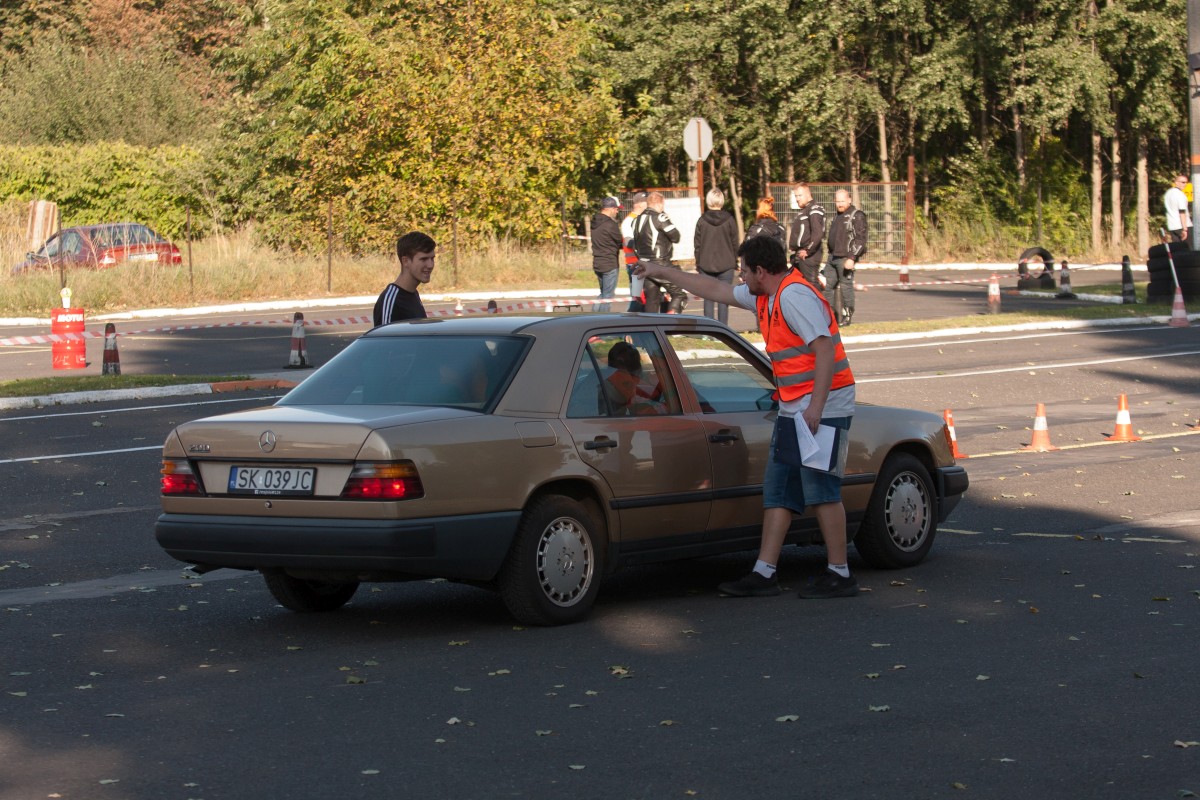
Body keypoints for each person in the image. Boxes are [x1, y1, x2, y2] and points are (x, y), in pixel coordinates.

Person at [635, 236, 858, 600]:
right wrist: (659, 270)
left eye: (744, 271)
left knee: (821, 490)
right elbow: (712, 288)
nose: (740, 277)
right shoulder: (766, 295)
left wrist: (816, 407)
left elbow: (824, 350)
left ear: (760, 271)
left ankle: (840, 573)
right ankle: (764, 572)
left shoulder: (794, 296)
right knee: (779, 490)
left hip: (825, 405)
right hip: (795, 406)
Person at [631, 191, 684, 313]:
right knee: (679, 295)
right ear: (660, 204)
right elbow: (676, 237)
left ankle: (651, 324)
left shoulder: (636, 220)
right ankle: (672, 322)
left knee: (652, 299)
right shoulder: (660, 217)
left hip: (644, 265)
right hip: (660, 264)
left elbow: (635, 245)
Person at [693, 188, 739, 323]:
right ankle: (723, 328)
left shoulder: (701, 220)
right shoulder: (729, 220)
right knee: (724, 299)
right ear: (722, 201)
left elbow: (697, 244)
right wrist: (735, 260)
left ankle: (709, 329)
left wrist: (698, 263)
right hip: (727, 263)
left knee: (708, 298)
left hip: (706, 263)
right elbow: (735, 242)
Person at [373, 231, 436, 326]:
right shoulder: (391, 300)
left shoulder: (413, 293)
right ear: (406, 261)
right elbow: (383, 335)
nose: (430, 265)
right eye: (423, 259)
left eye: (432, 258)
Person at [824, 189, 867, 326]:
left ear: (849, 200)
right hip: (832, 257)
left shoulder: (856, 215)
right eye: (837, 201)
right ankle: (829, 316)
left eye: (842, 201)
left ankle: (847, 317)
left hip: (845, 258)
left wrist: (852, 258)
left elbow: (861, 239)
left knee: (845, 287)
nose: (840, 204)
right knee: (826, 286)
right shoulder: (836, 216)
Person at [788, 183, 826, 286]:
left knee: (811, 285)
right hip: (801, 254)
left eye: (800, 195)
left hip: (809, 255)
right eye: (796, 196)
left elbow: (817, 233)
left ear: (808, 194)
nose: (797, 199)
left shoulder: (814, 209)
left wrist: (808, 250)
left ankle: (818, 296)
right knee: (797, 284)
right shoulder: (805, 209)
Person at [590, 196, 624, 311]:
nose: (617, 212)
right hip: (610, 264)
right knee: (608, 296)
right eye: (616, 209)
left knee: (603, 293)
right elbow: (620, 241)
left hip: (597, 262)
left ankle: (593, 316)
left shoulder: (594, 222)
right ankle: (603, 318)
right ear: (611, 208)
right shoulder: (611, 224)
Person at [622, 192, 648, 311]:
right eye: (646, 202)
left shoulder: (643, 219)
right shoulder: (629, 221)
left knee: (645, 299)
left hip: (643, 263)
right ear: (639, 204)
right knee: (638, 299)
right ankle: (629, 319)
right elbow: (629, 243)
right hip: (634, 265)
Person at [1164, 174, 1192, 245]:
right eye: (1183, 182)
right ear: (1176, 182)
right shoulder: (1180, 195)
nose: (1185, 184)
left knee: (1177, 249)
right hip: (1182, 226)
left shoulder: (1168, 193)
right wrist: (1185, 229)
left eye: (1186, 182)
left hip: (1172, 226)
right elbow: (1182, 212)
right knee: (1189, 248)